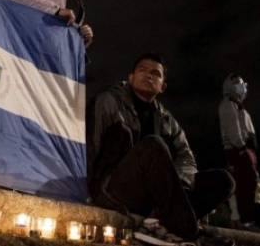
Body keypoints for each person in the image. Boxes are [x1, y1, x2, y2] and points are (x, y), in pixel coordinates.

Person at [87, 53, 235, 245]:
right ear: (131, 77)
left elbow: (186, 158)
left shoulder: (167, 120)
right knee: (153, 145)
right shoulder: (108, 101)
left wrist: (178, 185)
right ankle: (191, 233)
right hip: (116, 188)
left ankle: (159, 223)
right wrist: (89, 193)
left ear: (163, 86)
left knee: (225, 180)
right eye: (142, 70)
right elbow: (90, 145)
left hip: (157, 196)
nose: (148, 75)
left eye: (155, 73)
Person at [218, 73, 260, 232]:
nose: (243, 86)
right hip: (238, 151)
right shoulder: (228, 105)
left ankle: (247, 220)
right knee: (243, 186)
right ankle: (243, 221)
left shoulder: (239, 107)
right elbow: (234, 132)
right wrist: (242, 149)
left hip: (245, 151)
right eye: (238, 83)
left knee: (249, 184)